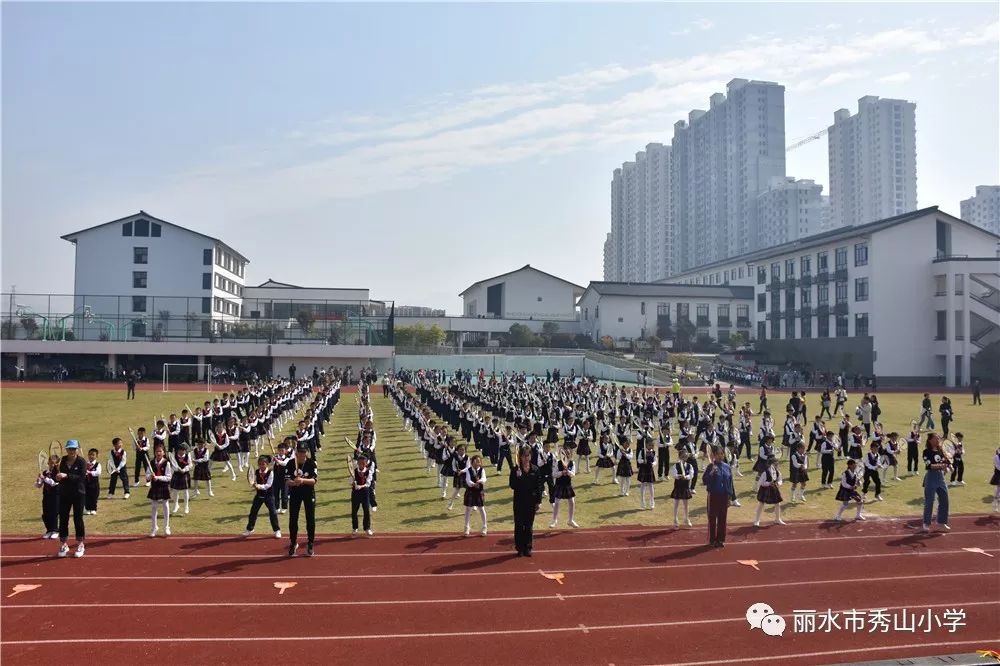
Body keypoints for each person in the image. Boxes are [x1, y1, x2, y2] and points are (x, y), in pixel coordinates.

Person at [509, 446, 544, 557]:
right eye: (524, 456)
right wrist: (517, 477)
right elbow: (512, 485)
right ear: (520, 456)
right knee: (519, 525)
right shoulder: (515, 470)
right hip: (519, 501)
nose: (526, 458)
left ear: (530, 456)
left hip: (531, 501)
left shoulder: (535, 469)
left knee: (529, 526)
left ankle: (528, 547)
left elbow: (539, 486)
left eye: (528, 455)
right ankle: (519, 548)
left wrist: (538, 502)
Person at [55, 440, 87, 558]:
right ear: (66, 449)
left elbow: (81, 477)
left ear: (77, 449)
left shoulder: (82, 462)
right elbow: (58, 476)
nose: (72, 451)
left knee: (78, 519)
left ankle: (80, 544)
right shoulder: (62, 460)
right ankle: (64, 544)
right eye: (70, 449)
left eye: (74, 449)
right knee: (63, 519)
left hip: (78, 494)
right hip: (64, 494)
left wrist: (66, 475)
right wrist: (58, 477)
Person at [287, 445, 318, 555]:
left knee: (310, 518)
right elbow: (287, 481)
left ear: (307, 452)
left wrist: (302, 480)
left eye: (304, 452)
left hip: (308, 493)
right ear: (296, 453)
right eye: (300, 452)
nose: (302, 454)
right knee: (293, 519)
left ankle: (310, 543)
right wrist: (294, 482)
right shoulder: (291, 463)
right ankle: (293, 542)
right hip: (295, 494)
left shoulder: (311, 463)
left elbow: (314, 480)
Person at [242, 456, 281, 538]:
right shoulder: (256, 472)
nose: (261, 466)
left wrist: (258, 486)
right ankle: (250, 529)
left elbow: (268, 485)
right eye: (259, 464)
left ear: (267, 464)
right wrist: (254, 484)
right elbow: (254, 481)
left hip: (269, 496)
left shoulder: (271, 472)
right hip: (259, 495)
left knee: (273, 513)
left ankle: (277, 530)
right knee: (253, 512)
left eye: (263, 464)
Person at [702, 446, 732, 547]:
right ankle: (712, 540)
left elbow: (730, 483)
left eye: (722, 453)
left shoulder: (727, 467)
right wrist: (711, 473)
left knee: (722, 518)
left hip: (724, 496)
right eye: (718, 454)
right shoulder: (710, 466)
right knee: (712, 518)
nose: (721, 455)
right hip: (713, 495)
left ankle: (720, 539)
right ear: (713, 455)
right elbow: (705, 481)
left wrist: (730, 497)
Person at [921, 433, 951, 533]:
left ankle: (942, 522)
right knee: (929, 501)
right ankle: (926, 523)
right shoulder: (926, 452)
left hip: (940, 477)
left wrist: (949, 467)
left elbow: (946, 463)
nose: (938, 440)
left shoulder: (941, 450)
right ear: (930, 440)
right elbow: (929, 466)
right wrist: (942, 466)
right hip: (931, 477)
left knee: (945, 499)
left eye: (938, 438)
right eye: (936, 438)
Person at [147, 444, 173, 537]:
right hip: (154, 487)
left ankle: (166, 527)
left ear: (163, 453)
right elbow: (147, 476)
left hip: (163, 486)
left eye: (160, 451)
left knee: (165, 506)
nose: (158, 453)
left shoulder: (167, 463)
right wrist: (150, 476)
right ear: (154, 452)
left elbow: (169, 477)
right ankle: (154, 527)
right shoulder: (151, 462)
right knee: (154, 507)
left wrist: (157, 477)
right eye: (157, 451)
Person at [549, 447, 579, 528]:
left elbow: (573, 474)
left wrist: (568, 472)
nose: (567, 455)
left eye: (568, 454)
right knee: (557, 502)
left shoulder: (572, 463)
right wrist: (561, 473)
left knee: (572, 502)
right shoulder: (558, 463)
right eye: (565, 454)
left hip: (568, 485)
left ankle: (570, 520)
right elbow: (554, 474)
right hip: (559, 485)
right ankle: (554, 520)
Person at [752, 456, 784, 527]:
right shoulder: (765, 473)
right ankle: (757, 520)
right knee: (761, 504)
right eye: (775, 464)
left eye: (777, 464)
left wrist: (778, 483)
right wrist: (769, 483)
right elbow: (760, 483)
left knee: (777, 503)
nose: (777, 465)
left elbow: (780, 480)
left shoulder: (777, 472)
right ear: (770, 465)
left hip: (774, 489)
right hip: (765, 490)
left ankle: (777, 519)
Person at [35, 454, 61, 539]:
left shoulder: (58, 472)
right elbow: (38, 486)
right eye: (50, 462)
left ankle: (55, 530)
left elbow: (53, 483)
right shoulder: (45, 472)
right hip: (46, 495)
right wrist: (38, 481)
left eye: (53, 463)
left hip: (55, 495)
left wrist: (44, 478)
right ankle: (49, 530)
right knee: (46, 514)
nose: (51, 464)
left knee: (54, 513)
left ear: (57, 463)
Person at [463, 455, 488, 536]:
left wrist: (479, 481)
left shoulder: (482, 470)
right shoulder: (468, 470)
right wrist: (473, 484)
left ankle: (484, 527)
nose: (478, 463)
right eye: (476, 461)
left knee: (481, 508)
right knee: (468, 509)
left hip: (479, 492)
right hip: (470, 491)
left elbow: (484, 478)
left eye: (479, 461)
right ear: (472, 462)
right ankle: (467, 527)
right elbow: (468, 480)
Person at [351, 454, 374, 536]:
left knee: (366, 511)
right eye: (359, 463)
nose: (361, 465)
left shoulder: (369, 472)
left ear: (366, 463)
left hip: (365, 493)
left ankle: (367, 528)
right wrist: (353, 483)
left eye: (363, 463)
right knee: (354, 511)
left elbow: (368, 483)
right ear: (357, 463)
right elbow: (350, 482)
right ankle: (355, 528)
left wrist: (360, 486)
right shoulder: (353, 471)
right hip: (355, 494)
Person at [670, 450, 694, 528]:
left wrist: (686, 477)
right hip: (678, 486)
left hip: (685, 487)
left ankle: (686, 519)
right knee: (676, 504)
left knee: (686, 504)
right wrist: (679, 476)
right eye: (683, 456)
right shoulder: (675, 465)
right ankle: (675, 520)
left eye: (686, 456)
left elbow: (691, 475)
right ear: (679, 456)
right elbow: (674, 474)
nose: (684, 458)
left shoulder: (689, 466)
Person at [83, 448, 102, 515]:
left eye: (93, 455)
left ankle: (93, 508)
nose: (91, 456)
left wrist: (89, 472)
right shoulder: (85, 464)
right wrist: (84, 472)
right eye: (90, 454)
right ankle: (87, 508)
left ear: (96, 456)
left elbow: (98, 472)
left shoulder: (98, 464)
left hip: (94, 484)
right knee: (87, 496)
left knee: (94, 496)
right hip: (86, 483)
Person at [990, 446, 1000, 513]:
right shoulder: (996, 457)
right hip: (998, 475)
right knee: (998, 490)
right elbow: (998, 467)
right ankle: (995, 505)